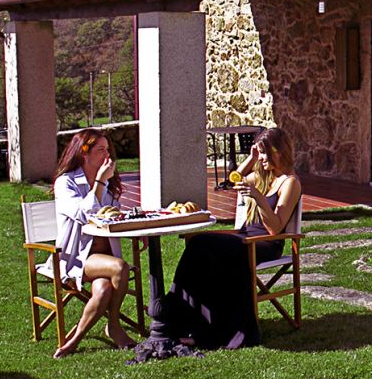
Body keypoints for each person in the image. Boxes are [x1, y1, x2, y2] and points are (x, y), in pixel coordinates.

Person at [163, 126, 302, 350]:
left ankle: (175, 314)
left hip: (264, 244)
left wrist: (258, 197)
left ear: (279, 151)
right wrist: (251, 157)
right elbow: (233, 179)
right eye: (261, 153)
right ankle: (187, 319)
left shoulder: (290, 182)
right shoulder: (263, 176)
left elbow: (275, 228)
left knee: (201, 244)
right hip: (243, 238)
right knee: (197, 243)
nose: (262, 159)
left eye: (265, 153)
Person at [51, 129, 138, 358]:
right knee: (120, 267)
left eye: (108, 150)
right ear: (84, 153)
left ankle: (74, 341)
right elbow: (84, 214)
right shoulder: (66, 183)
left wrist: (139, 230)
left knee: (103, 290)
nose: (107, 156)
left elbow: (113, 214)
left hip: (103, 258)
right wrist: (100, 181)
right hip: (77, 258)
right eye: (101, 150)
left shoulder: (108, 183)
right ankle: (114, 326)